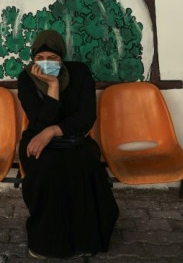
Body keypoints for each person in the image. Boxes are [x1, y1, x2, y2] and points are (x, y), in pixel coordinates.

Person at [17, 29, 118, 259]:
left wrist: (53, 130)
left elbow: (86, 117)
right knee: (48, 169)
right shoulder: (26, 80)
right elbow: (39, 121)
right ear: (33, 59)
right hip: (37, 140)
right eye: (40, 58)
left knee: (83, 165)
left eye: (52, 58)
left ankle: (84, 238)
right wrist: (52, 87)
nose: (45, 63)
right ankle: (45, 241)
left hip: (74, 140)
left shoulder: (80, 73)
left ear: (61, 57)